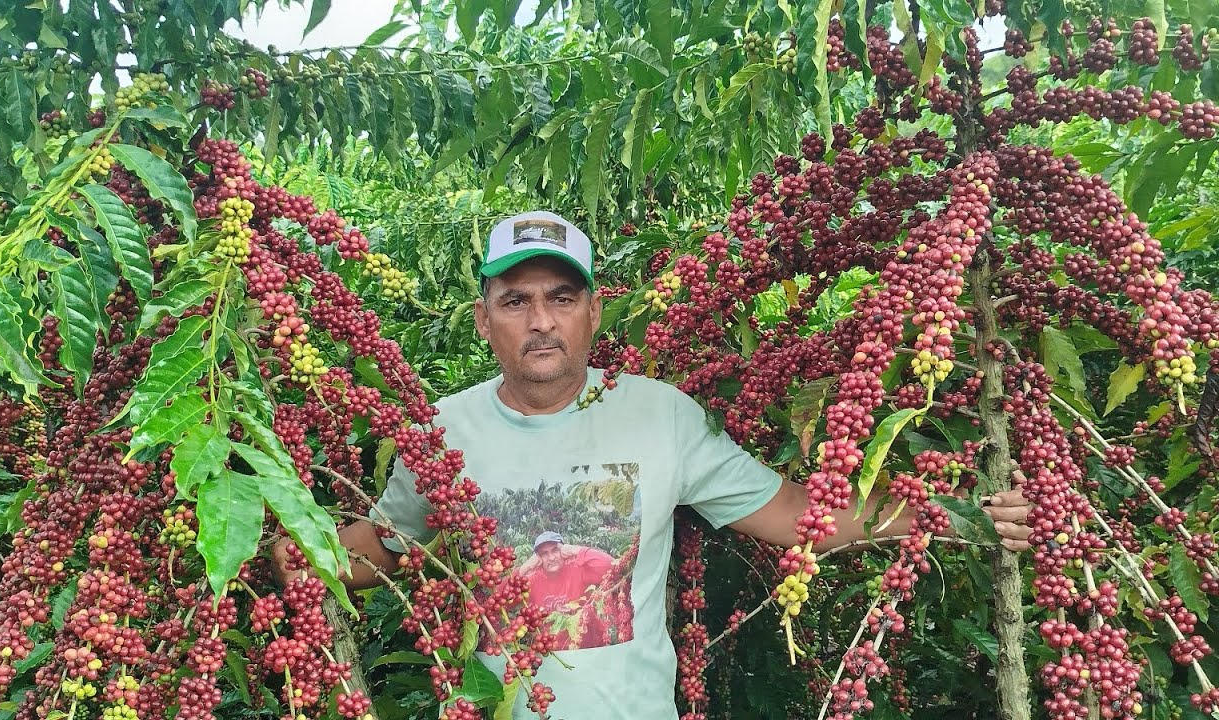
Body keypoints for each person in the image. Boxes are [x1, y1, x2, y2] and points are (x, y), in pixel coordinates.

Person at [274, 210, 1035, 718]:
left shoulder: (663, 414)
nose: (541, 321)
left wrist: (949, 515)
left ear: (594, 309)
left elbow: (799, 516)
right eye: (515, 301)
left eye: (561, 297)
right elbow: (387, 547)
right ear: (483, 317)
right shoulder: (444, 429)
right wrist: (289, 546)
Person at [514, 531, 621, 650]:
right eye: (544, 554)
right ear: (538, 559)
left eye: (555, 550)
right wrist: (525, 567)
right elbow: (501, 598)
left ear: (563, 551)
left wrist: (576, 550)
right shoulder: (532, 581)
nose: (552, 558)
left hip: (590, 650)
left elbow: (613, 567)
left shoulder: (578, 569)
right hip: (552, 654)